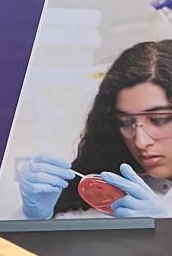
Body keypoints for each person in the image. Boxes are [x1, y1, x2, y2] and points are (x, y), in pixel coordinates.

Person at [18, 40, 172, 219]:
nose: (140, 141)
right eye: (125, 122)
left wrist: (164, 231)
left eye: (159, 119)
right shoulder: (109, 198)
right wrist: (35, 219)